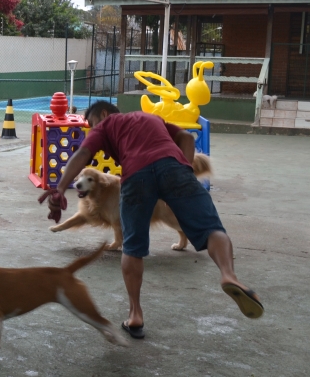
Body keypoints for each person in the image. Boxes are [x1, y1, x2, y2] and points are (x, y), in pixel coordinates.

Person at [51, 101, 263, 339]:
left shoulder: (106, 124)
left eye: (92, 124)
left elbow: (82, 153)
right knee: (212, 228)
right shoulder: (151, 118)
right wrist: (184, 167)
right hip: (173, 167)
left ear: (103, 114)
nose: (93, 129)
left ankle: (135, 315)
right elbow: (187, 138)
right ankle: (229, 276)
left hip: (136, 175)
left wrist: (59, 188)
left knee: (132, 247)